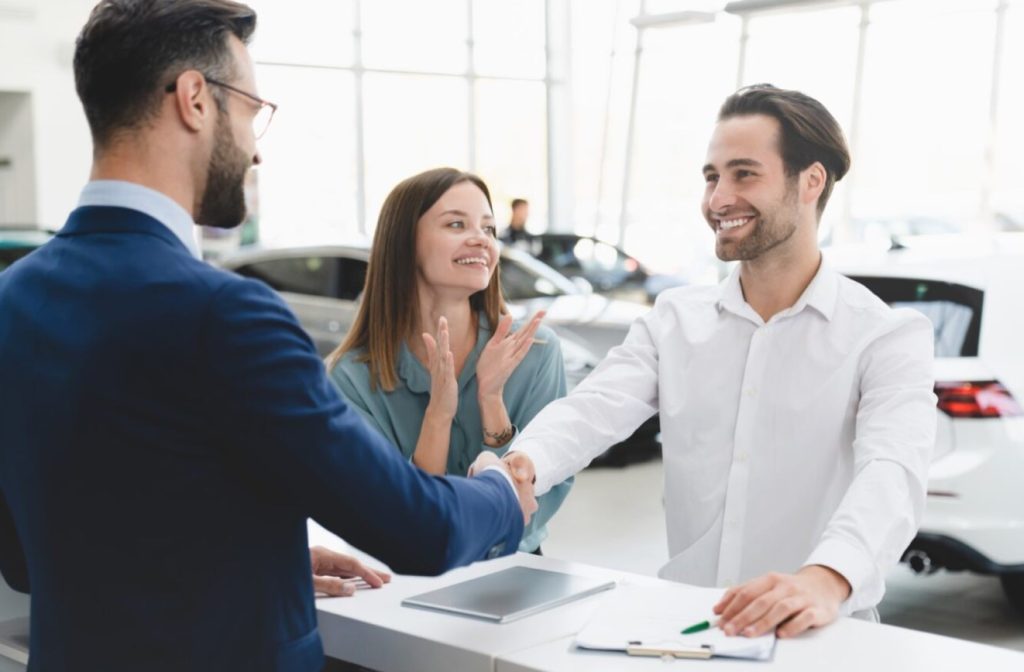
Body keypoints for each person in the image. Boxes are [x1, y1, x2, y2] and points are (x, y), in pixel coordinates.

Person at [0, 2, 534, 671]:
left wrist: (259, 560)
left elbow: (26, 554)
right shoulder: (224, 314)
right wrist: (502, 496)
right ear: (195, 100)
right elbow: (419, 530)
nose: (256, 146)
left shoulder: (13, 298)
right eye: (252, 108)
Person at [475, 84, 936, 639]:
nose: (718, 199)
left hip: (819, 636)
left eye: (744, 174)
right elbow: (595, 408)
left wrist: (827, 577)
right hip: (690, 631)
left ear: (811, 181)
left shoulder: (886, 335)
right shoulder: (674, 320)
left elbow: (892, 474)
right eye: (712, 176)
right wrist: (524, 462)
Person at [328, 168, 572, 554]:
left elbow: (539, 501)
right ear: (404, 243)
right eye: (457, 224)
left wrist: (492, 403)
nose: (480, 239)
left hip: (516, 571)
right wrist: (437, 417)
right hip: (408, 580)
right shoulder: (353, 378)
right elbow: (399, 517)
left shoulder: (537, 350)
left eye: (489, 229)